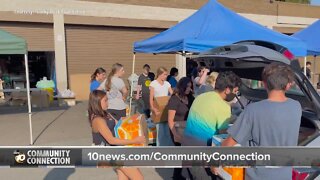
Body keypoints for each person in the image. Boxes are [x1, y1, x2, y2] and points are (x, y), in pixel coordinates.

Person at [213, 63, 301, 180]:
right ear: (288, 85)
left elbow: (228, 144)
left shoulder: (253, 110)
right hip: (285, 175)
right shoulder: (296, 106)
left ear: (264, 84)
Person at [183, 71, 241, 180]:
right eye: (235, 91)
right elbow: (222, 138)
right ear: (227, 89)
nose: (236, 94)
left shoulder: (201, 96)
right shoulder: (223, 106)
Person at [88, 90, 145, 180]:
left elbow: (119, 124)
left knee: (124, 177)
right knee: (138, 178)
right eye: (105, 100)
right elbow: (111, 140)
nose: (108, 102)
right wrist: (135, 140)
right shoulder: (98, 120)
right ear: (97, 102)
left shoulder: (106, 113)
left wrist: (133, 121)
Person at [167, 77, 194, 180]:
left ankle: (177, 175)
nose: (189, 89)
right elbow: (170, 120)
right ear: (182, 87)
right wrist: (175, 135)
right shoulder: (174, 99)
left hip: (187, 128)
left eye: (190, 87)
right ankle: (178, 176)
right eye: (187, 87)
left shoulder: (190, 97)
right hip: (176, 129)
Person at [150, 67, 174, 146]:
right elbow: (151, 98)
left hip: (166, 108)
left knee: (167, 131)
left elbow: (172, 94)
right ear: (160, 74)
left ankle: (168, 149)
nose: (166, 76)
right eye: (164, 74)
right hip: (158, 109)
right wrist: (153, 109)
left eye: (166, 75)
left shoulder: (167, 83)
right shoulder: (153, 83)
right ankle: (160, 149)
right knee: (160, 131)